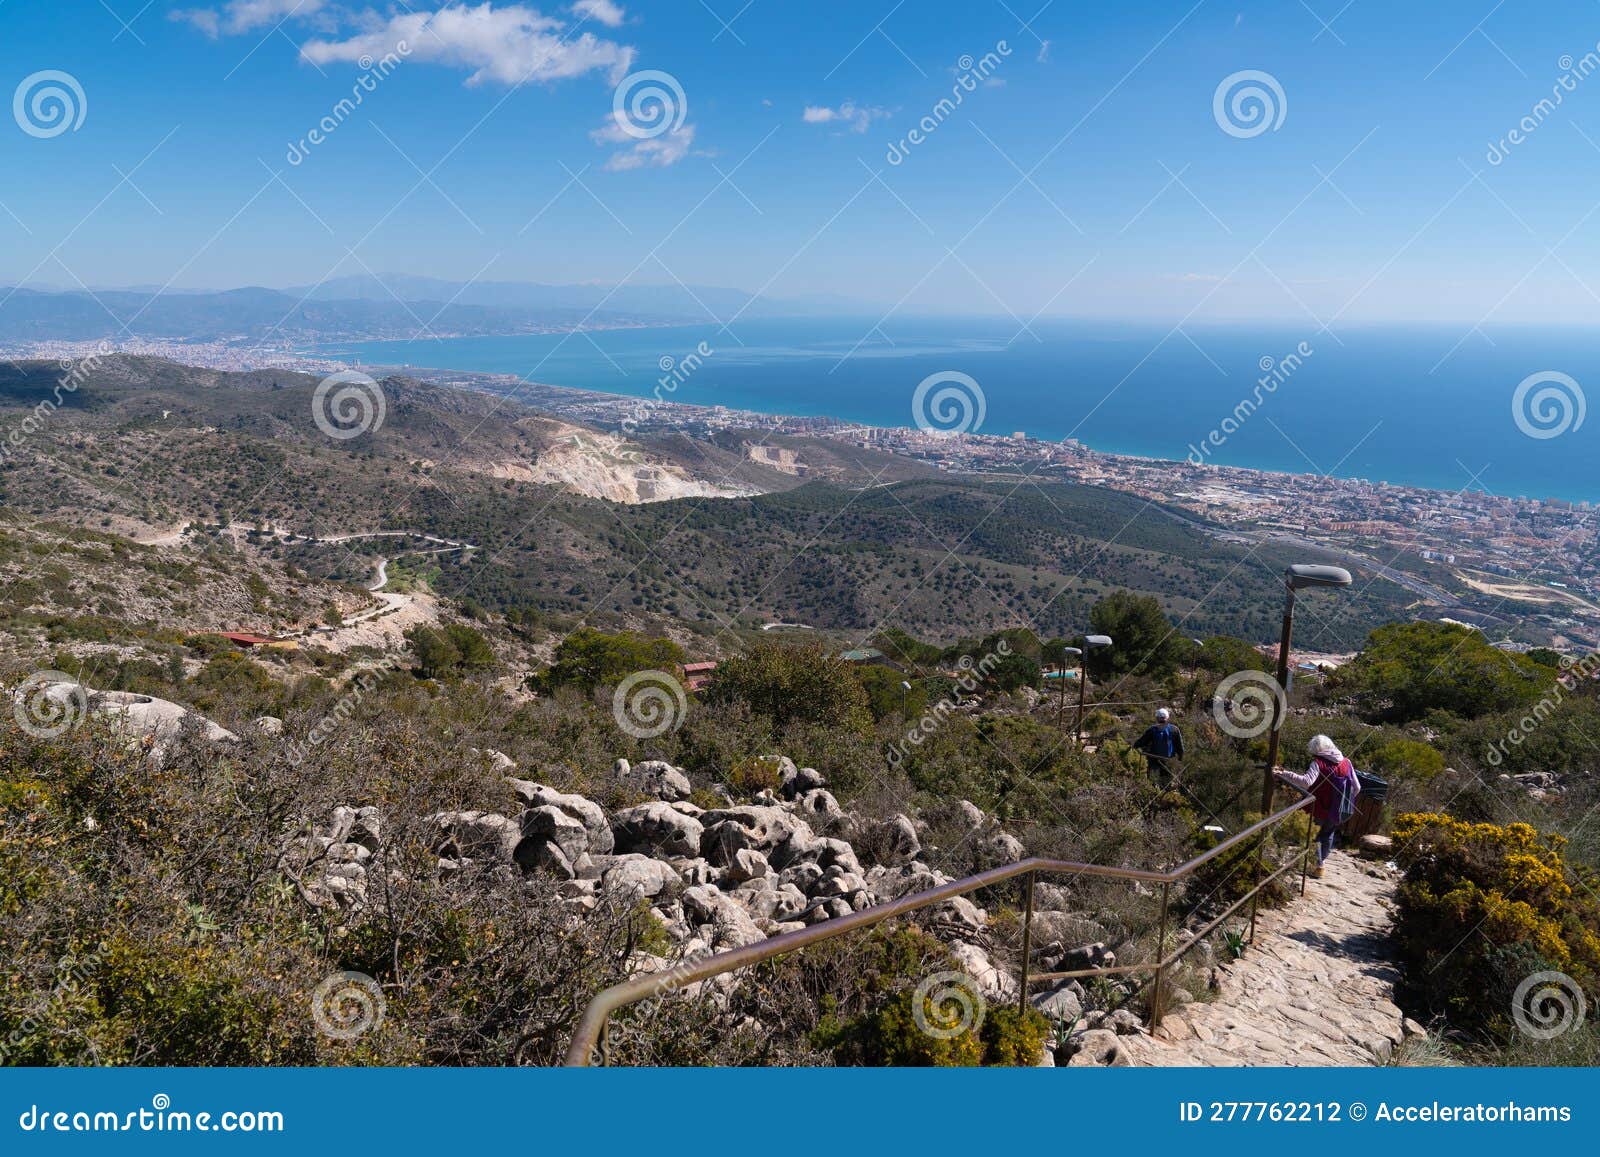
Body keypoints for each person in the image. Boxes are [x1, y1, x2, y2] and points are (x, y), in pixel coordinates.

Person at [1276, 734, 1360, 878]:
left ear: (1316, 749)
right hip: (1338, 810)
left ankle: (1319, 865)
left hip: (1317, 807)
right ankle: (1321, 863)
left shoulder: (1318, 763)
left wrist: (1284, 774)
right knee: (1328, 835)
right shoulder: (1347, 762)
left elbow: (1306, 782)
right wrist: (1344, 800)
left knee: (1313, 836)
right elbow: (1357, 787)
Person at [1133, 707, 1184, 787]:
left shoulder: (1152, 729)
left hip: (1154, 760)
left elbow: (1141, 742)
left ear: (1157, 718)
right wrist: (1180, 759)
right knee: (1166, 783)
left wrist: (1133, 745)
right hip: (1168, 760)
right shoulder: (1174, 729)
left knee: (1152, 782)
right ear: (1167, 717)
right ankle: (1166, 797)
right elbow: (1180, 747)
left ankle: (1152, 794)